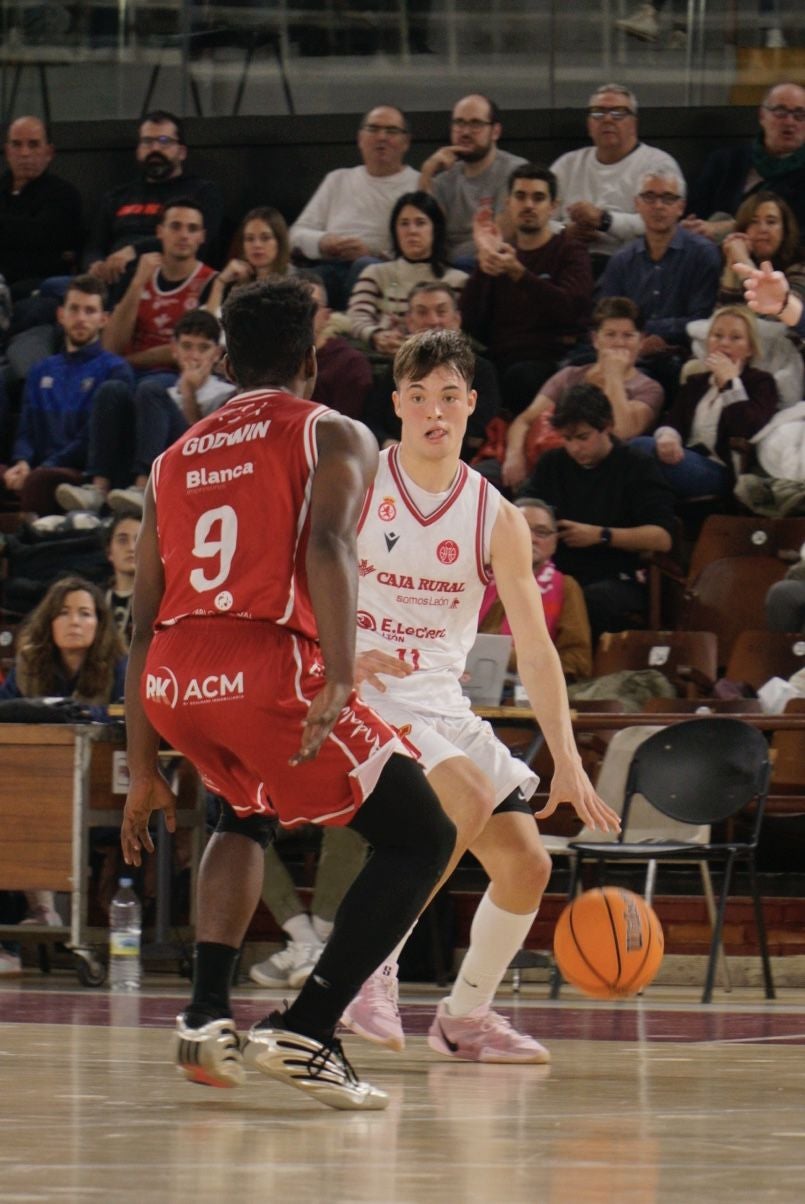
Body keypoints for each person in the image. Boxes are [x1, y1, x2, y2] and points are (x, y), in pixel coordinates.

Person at [119, 277, 458, 1111]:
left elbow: (137, 621)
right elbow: (331, 544)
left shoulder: (172, 458)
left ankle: (204, 1015)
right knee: (420, 835)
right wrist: (339, 672)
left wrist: (141, 771)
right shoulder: (333, 430)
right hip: (265, 663)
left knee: (240, 811)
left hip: (173, 676)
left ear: (226, 359)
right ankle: (311, 1028)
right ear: (312, 357)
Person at [341, 329, 618, 1059]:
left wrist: (566, 760)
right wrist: (331, 650)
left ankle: (463, 1019)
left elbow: (534, 646)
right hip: (365, 695)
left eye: (449, 397)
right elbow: (288, 572)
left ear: (470, 406)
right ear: (397, 402)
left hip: (442, 702)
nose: (434, 410)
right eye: (419, 396)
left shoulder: (494, 515)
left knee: (527, 865)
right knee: (458, 800)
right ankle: (371, 970)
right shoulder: (361, 479)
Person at [0, 575, 127, 970]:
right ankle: (20, 934)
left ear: (100, 623)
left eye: (85, 613)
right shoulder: (27, 666)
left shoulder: (119, 667)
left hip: (103, 794)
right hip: (37, 790)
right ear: (48, 622)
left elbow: (128, 717)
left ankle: (46, 914)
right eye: (64, 613)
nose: (75, 621)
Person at [521, 383, 675, 640]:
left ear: (607, 426)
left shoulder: (636, 465)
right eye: (567, 439)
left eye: (583, 437)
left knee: (585, 600)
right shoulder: (553, 463)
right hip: (556, 570)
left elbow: (662, 537)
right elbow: (523, 507)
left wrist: (601, 535)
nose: (575, 449)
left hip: (617, 576)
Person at [57, 309, 234, 516]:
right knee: (112, 390)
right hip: (145, 459)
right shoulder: (163, 393)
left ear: (215, 354)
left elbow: (205, 451)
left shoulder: (226, 394)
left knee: (149, 388)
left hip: (191, 471)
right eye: (187, 346)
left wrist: (188, 392)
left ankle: (144, 488)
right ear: (174, 349)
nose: (194, 356)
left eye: (203, 348)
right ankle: (98, 489)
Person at [460, 163, 593, 413]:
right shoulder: (498, 255)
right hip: (499, 357)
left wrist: (519, 273)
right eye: (520, 196)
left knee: (521, 376)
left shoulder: (570, 250)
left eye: (538, 198)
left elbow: (572, 311)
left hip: (549, 358)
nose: (528, 205)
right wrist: (482, 267)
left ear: (553, 206)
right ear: (509, 203)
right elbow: (470, 324)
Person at [498, 297, 663, 492]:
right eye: (610, 334)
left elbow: (623, 431)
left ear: (641, 340)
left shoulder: (649, 388)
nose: (619, 343)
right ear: (595, 340)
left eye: (628, 335)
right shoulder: (570, 375)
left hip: (601, 471)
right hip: (545, 455)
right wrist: (514, 456)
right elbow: (525, 419)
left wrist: (614, 377)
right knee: (474, 481)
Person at [1, 276, 133, 516]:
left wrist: (43, 467)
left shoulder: (115, 369)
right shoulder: (40, 369)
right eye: (74, 309)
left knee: (40, 481)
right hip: (38, 470)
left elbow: (91, 438)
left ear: (104, 319)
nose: (81, 318)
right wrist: (22, 462)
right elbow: (26, 429)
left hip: (79, 472)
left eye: (90, 311)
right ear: (61, 315)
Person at [597, 167, 721, 397]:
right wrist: (634, 342)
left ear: (680, 207)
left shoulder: (703, 254)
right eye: (650, 197)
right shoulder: (621, 260)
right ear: (637, 204)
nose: (658, 206)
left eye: (667, 198)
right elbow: (607, 316)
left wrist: (648, 335)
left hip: (678, 354)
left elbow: (701, 320)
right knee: (576, 370)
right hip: (624, 350)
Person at [631, 306, 779, 498]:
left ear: (750, 348)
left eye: (735, 338)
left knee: (638, 448)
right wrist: (668, 438)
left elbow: (747, 427)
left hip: (722, 472)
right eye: (717, 336)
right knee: (627, 458)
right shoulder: (696, 382)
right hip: (684, 457)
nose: (724, 343)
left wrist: (730, 383)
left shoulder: (760, 383)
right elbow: (673, 422)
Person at [289, 105, 419, 309]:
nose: (382, 137)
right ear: (360, 139)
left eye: (391, 131)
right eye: (373, 129)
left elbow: (423, 246)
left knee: (364, 266)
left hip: (385, 272)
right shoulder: (337, 179)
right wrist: (324, 242)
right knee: (305, 281)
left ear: (406, 142)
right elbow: (295, 235)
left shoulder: (418, 185)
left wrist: (371, 253)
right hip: (329, 266)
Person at [362, 281, 500, 459]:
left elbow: (478, 429)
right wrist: (389, 443)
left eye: (441, 312)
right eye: (422, 313)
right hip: (397, 461)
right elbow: (372, 420)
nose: (433, 321)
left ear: (457, 319)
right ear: (410, 322)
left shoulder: (481, 370)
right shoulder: (398, 367)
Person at [83, 110, 224, 284]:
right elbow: (94, 245)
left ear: (182, 152)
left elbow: (198, 246)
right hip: (111, 280)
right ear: (138, 150)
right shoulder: (116, 196)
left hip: (168, 279)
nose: (155, 148)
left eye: (164, 141)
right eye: (147, 142)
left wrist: (133, 251)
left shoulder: (202, 192)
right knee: (52, 288)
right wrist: (95, 264)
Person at [550, 85, 683, 266]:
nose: (607, 119)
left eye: (618, 113)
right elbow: (540, 219)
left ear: (634, 123)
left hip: (635, 264)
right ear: (589, 124)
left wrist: (604, 220)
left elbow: (662, 221)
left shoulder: (658, 164)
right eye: (598, 113)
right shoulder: (567, 164)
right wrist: (565, 231)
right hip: (569, 262)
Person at [478, 497, 593, 681]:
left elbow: (578, 661)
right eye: (520, 528)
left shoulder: (566, 587)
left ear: (554, 542)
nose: (530, 538)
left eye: (541, 532)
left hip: (531, 692)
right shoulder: (476, 579)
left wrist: (513, 659)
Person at [101, 198, 217, 377]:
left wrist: (127, 361)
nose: (184, 235)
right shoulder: (137, 274)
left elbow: (195, 350)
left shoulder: (211, 282)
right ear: (160, 231)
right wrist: (137, 284)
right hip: (125, 375)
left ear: (202, 236)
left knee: (149, 387)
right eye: (175, 227)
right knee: (111, 387)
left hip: (174, 378)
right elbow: (110, 347)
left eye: (192, 229)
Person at [347, 191, 467, 353]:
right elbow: (356, 316)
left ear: (435, 229)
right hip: (384, 358)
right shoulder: (375, 274)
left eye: (420, 223)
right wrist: (377, 335)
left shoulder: (457, 280)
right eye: (404, 223)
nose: (412, 231)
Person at [248, 826, 367, 989]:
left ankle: (308, 943)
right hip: (272, 812)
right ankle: (312, 944)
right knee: (237, 830)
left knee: (352, 821)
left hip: (329, 808)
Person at [685, 83, 805, 242]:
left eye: (799, 115)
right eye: (780, 112)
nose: (790, 122)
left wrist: (730, 227)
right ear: (762, 115)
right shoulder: (725, 162)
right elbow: (695, 212)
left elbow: (797, 229)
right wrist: (693, 226)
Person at [417, 94, 526, 266]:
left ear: (495, 132)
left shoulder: (515, 172)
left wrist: (449, 259)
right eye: (459, 123)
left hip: (488, 265)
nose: (466, 132)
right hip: (445, 270)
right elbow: (423, 232)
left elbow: (501, 236)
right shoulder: (443, 179)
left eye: (475, 124)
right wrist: (427, 171)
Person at [0, 116, 83, 298]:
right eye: (16, 144)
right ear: (7, 152)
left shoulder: (64, 195)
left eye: (33, 145)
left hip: (39, 288)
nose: (24, 153)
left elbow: (38, 235)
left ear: (49, 152)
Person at [718, 192, 805, 308]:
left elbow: (777, 316)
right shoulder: (733, 257)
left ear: (785, 230)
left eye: (771, 222)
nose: (763, 229)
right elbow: (727, 316)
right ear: (743, 229)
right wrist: (732, 263)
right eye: (754, 222)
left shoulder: (801, 265)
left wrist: (743, 260)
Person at [203, 206, 293, 317]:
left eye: (265, 238)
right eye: (250, 239)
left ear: (279, 242)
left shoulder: (295, 283)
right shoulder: (237, 284)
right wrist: (220, 283)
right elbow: (208, 329)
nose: (257, 245)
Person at [306, 275, 374, 420]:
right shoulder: (273, 363)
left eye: (311, 306)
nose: (302, 313)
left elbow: (346, 430)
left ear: (326, 315)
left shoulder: (348, 363)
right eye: (293, 305)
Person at [105, 511, 142, 650]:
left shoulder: (162, 601)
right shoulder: (92, 598)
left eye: (139, 540)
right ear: (109, 552)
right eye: (122, 540)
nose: (131, 548)